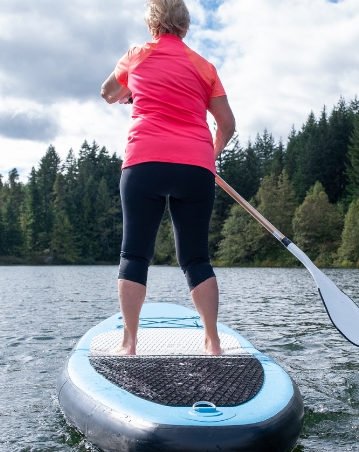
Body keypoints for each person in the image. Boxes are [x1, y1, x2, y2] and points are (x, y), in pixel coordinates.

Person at [101, 0, 236, 355]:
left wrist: (128, 92)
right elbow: (227, 125)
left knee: (134, 254)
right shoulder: (204, 67)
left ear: (152, 25)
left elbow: (107, 93)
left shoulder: (136, 55)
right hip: (196, 168)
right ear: (185, 27)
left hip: (145, 162)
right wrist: (210, 154)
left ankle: (129, 343)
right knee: (196, 257)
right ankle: (213, 341)